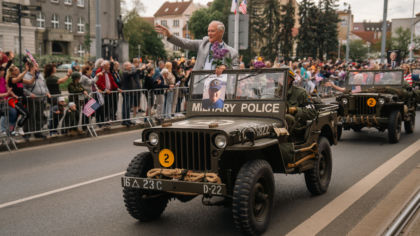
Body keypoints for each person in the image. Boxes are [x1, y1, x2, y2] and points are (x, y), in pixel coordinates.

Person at [155, 21, 238, 70]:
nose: (209, 34)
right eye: (208, 31)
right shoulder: (203, 44)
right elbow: (185, 43)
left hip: (220, 91)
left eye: (212, 31)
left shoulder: (232, 52)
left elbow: (236, 71)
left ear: (221, 32)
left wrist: (226, 68)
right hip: (199, 89)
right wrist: (170, 35)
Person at [285, 69, 317, 141]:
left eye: (283, 77)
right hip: (273, 125)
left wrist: (295, 110)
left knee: (287, 117)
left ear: (290, 79)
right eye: (278, 77)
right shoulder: (272, 92)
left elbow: (312, 111)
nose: (280, 79)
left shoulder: (300, 92)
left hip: (295, 128)